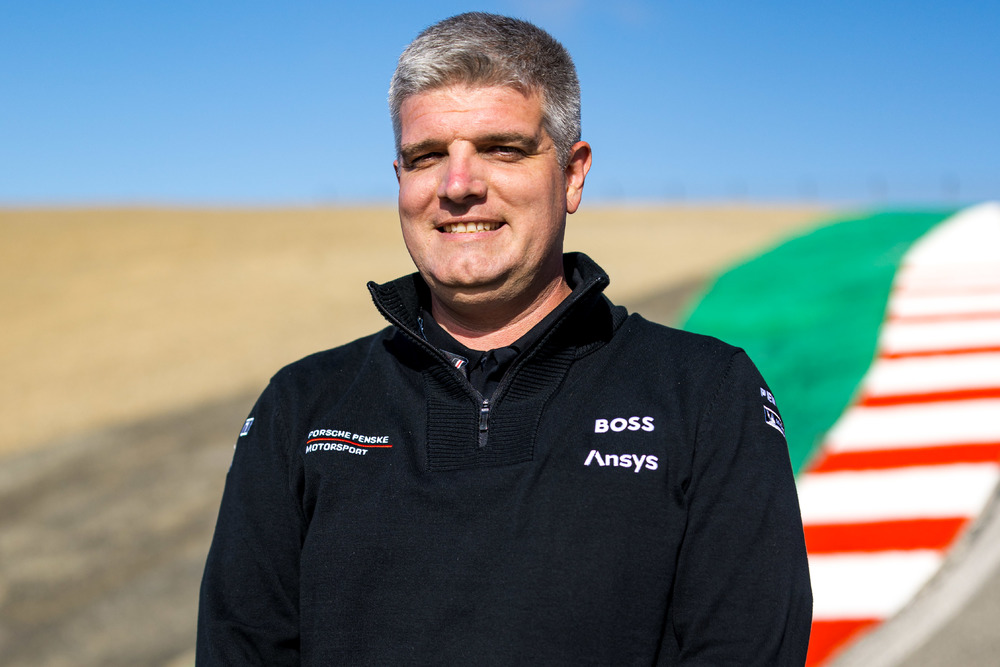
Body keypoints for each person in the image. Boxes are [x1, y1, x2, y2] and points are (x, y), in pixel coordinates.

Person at [197, 12, 812, 665]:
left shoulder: (707, 394)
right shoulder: (301, 406)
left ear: (572, 174)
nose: (458, 185)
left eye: (501, 149)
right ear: (400, 178)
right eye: (427, 156)